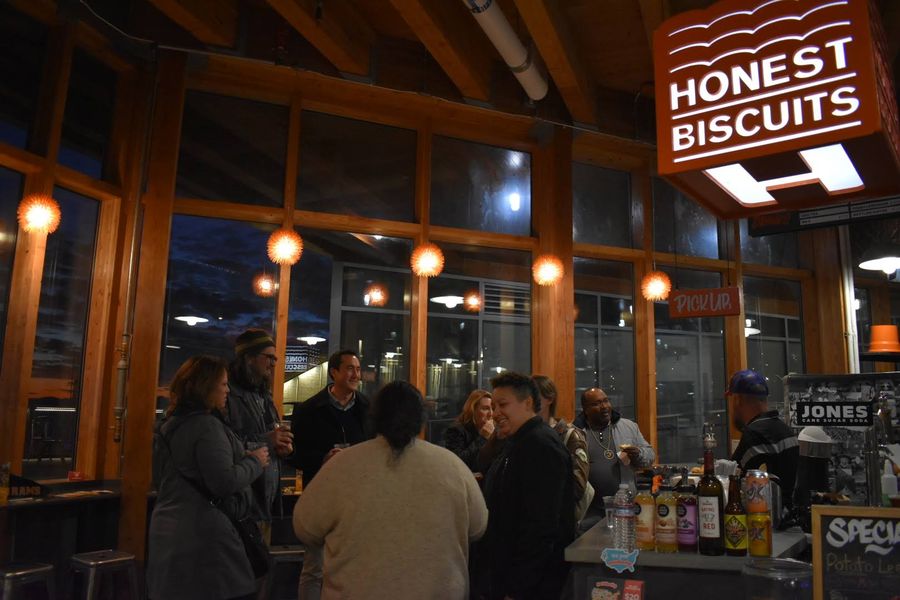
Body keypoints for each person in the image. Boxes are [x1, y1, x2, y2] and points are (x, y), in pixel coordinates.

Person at [293, 381, 488, 600]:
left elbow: (305, 526)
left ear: (374, 417)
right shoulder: (452, 467)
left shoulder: (341, 465)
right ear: (421, 419)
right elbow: (478, 527)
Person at [148, 356, 270, 600]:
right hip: (205, 540)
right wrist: (255, 461)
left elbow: (163, 477)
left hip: (167, 532)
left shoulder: (167, 426)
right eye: (223, 384)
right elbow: (223, 482)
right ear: (206, 386)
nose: (227, 390)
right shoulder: (207, 426)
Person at [473, 371, 573, 600]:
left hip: (531, 585)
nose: (495, 413)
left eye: (502, 405)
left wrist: (518, 588)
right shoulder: (516, 441)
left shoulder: (540, 445)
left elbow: (541, 526)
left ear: (527, 403)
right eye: (494, 406)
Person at [287, 349, 373, 600]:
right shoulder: (309, 410)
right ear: (333, 372)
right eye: (349, 369)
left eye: (357, 369)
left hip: (360, 498)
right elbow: (295, 455)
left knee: (357, 565)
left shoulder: (368, 410)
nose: (355, 375)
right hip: (322, 496)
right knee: (315, 567)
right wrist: (323, 458)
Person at [224, 329, 293, 544]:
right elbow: (224, 445)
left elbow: (272, 439)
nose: (273, 364)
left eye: (275, 359)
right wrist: (267, 441)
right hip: (240, 506)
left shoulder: (264, 395)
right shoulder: (227, 396)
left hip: (265, 505)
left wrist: (283, 449)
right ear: (248, 358)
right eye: (269, 357)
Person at [574, 387, 654, 528]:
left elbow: (650, 455)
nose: (604, 406)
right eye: (597, 403)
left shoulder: (629, 427)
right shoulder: (576, 434)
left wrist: (638, 454)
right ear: (585, 409)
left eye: (606, 401)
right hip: (589, 513)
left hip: (625, 509)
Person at [728, 369, 799, 507]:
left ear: (737, 400)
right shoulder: (785, 430)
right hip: (787, 516)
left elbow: (735, 484)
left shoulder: (754, 435)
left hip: (766, 520)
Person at [534, 375, 591, 520]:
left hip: (559, 520)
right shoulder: (526, 434)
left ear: (549, 399)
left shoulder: (570, 436)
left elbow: (577, 487)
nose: (528, 401)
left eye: (534, 395)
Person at [444, 389, 494, 472]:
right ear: (472, 410)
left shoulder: (497, 430)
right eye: (485, 409)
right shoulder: (456, 430)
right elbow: (458, 462)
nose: (491, 413)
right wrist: (482, 438)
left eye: (493, 408)